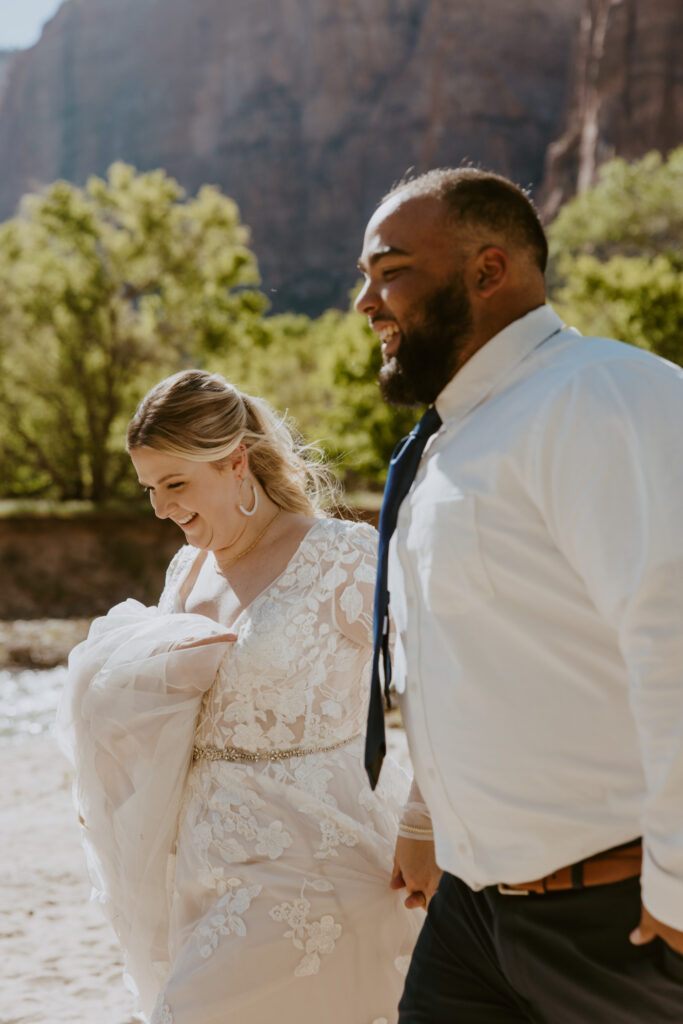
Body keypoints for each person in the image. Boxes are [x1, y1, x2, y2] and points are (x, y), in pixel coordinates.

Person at [355, 167, 683, 1022]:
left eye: (389, 272)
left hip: (620, 916)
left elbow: (672, 638)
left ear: (488, 271)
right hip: (472, 914)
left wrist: (679, 893)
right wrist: (430, 817)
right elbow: (470, 659)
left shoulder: (600, 396)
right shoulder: (451, 442)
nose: (366, 303)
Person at [58, 369, 423, 1024]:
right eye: (149, 489)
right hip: (200, 868)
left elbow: (435, 682)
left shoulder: (341, 558)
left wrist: (427, 820)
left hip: (311, 858)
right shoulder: (186, 566)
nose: (162, 508)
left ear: (234, 462)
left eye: (175, 484)